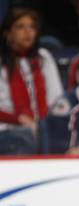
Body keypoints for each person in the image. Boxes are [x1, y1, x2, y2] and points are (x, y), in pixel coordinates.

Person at [0, 8, 63, 154]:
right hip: (7, 129)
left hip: (42, 128)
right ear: (7, 33)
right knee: (25, 137)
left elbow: (56, 99)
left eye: (32, 27)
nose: (28, 32)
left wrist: (41, 124)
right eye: (20, 26)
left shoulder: (43, 58)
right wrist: (19, 119)